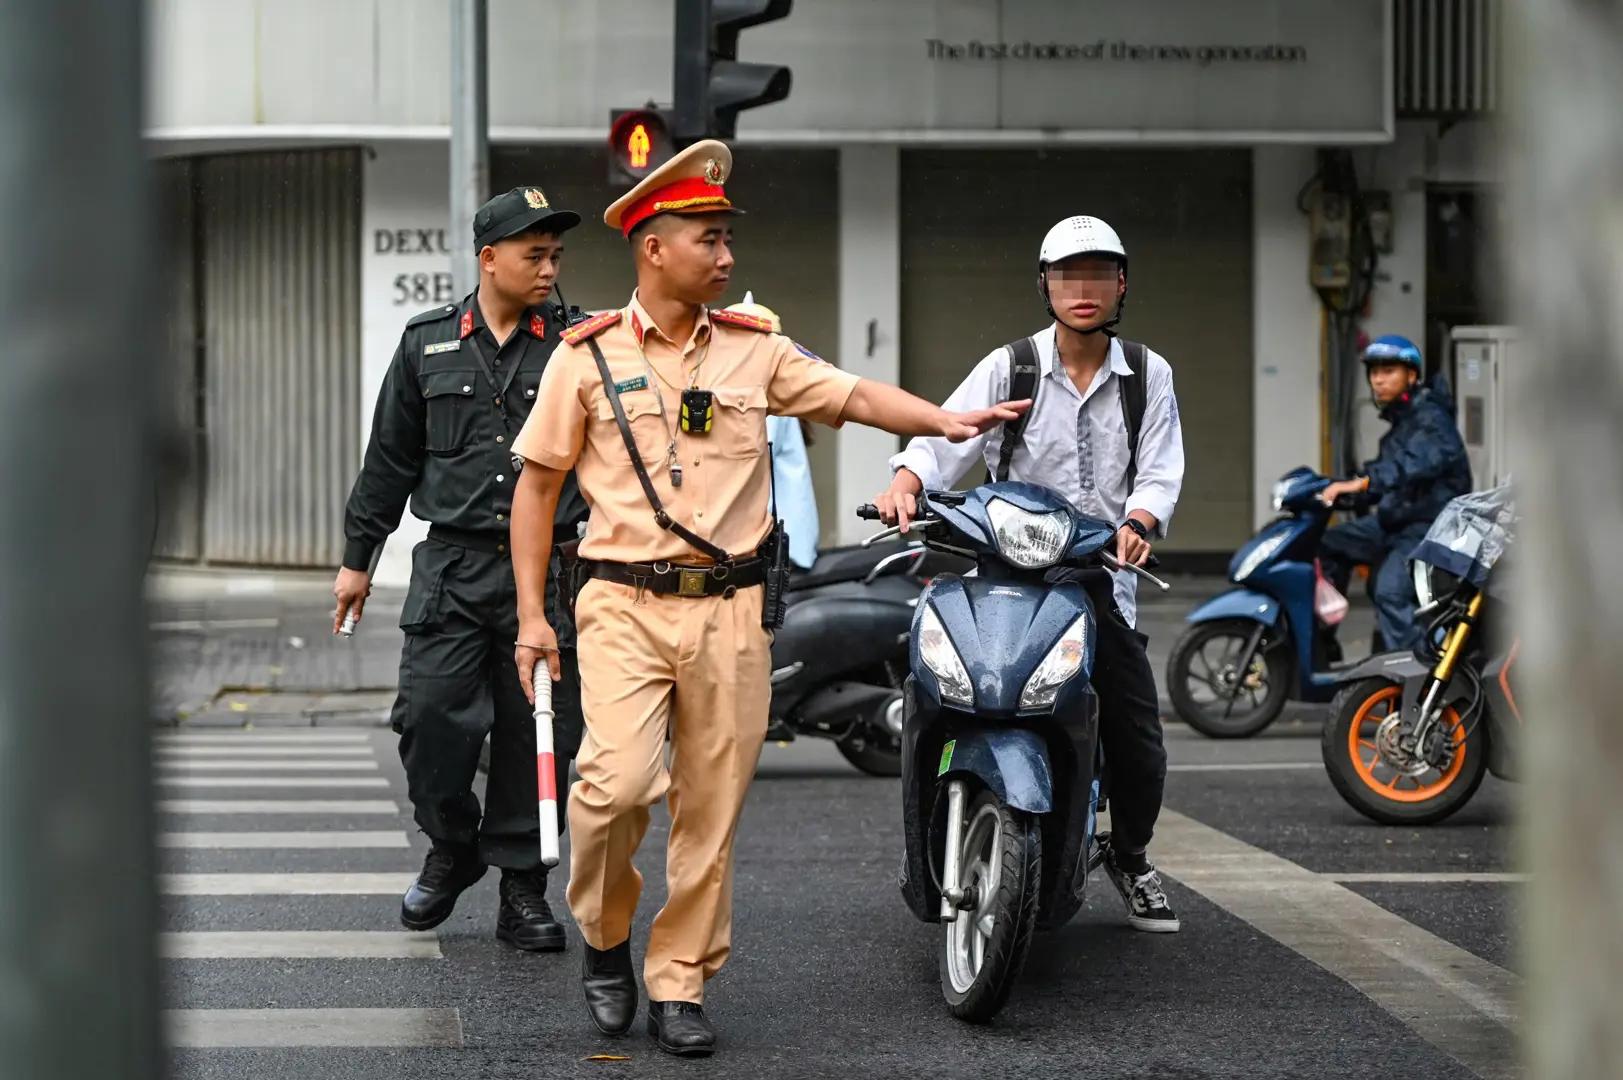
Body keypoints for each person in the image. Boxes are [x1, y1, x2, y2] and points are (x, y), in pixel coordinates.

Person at [505, 139, 1028, 1058]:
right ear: (653, 246)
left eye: (726, 238)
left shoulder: (756, 352)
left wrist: (944, 421)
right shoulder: (582, 358)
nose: (726, 255)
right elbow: (537, 489)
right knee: (611, 789)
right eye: (707, 238)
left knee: (710, 811)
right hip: (621, 605)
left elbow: (853, 394)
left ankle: (677, 980)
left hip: (735, 612)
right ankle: (601, 933)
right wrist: (532, 618)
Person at [875, 214, 1187, 934]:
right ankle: (927, 840)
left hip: (1096, 579)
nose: (1084, 290)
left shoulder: (1148, 373)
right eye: (1068, 275)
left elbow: (1160, 470)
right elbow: (942, 438)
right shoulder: (1008, 366)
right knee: (944, 694)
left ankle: (1131, 856)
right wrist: (903, 481)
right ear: (1043, 284)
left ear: (1121, 285)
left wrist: (1137, 523)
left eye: (1100, 274)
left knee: (1137, 734)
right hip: (1002, 578)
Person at [333, 186, 590, 954]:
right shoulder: (427, 343)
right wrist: (358, 561)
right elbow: (388, 460)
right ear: (489, 258)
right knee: (429, 721)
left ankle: (522, 889)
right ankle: (452, 844)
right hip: (452, 562)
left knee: (534, 733)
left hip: (552, 569)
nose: (548, 269)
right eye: (532, 255)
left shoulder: (581, 343)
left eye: (554, 257)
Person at [1317, 334, 1472, 652]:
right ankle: (1321, 642)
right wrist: (1336, 492)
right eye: (1374, 373)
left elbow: (1406, 467)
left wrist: (1359, 484)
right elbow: (1387, 479)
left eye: (1388, 371)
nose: (1378, 380)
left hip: (1429, 528)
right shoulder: (1404, 421)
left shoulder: (1432, 420)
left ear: (1411, 376)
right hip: (1397, 520)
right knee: (1329, 544)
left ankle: (1415, 675)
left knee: (1389, 589)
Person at [725, 292, 821, 570]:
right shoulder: (771, 390)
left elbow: (747, 455)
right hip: (783, 538)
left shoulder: (760, 394)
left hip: (778, 544)